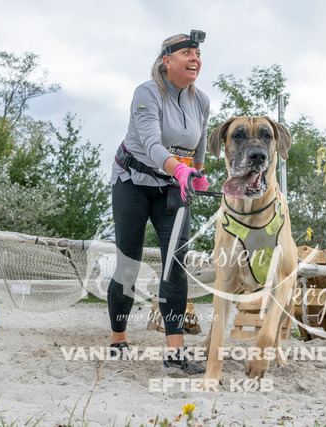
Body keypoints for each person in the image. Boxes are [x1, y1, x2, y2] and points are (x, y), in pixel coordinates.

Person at [107, 31, 210, 374]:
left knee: (175, 264)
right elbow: (151, 144)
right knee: (129, 264)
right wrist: (179, 169)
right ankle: (118, 339)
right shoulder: (146, 93)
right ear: (167, 61)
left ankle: (175, 354)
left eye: (198, 54)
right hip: (132, 182)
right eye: (187, 53)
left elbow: (199, 146)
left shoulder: (201, 100)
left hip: (171, 187)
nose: (195, 58)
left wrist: (197, 173)